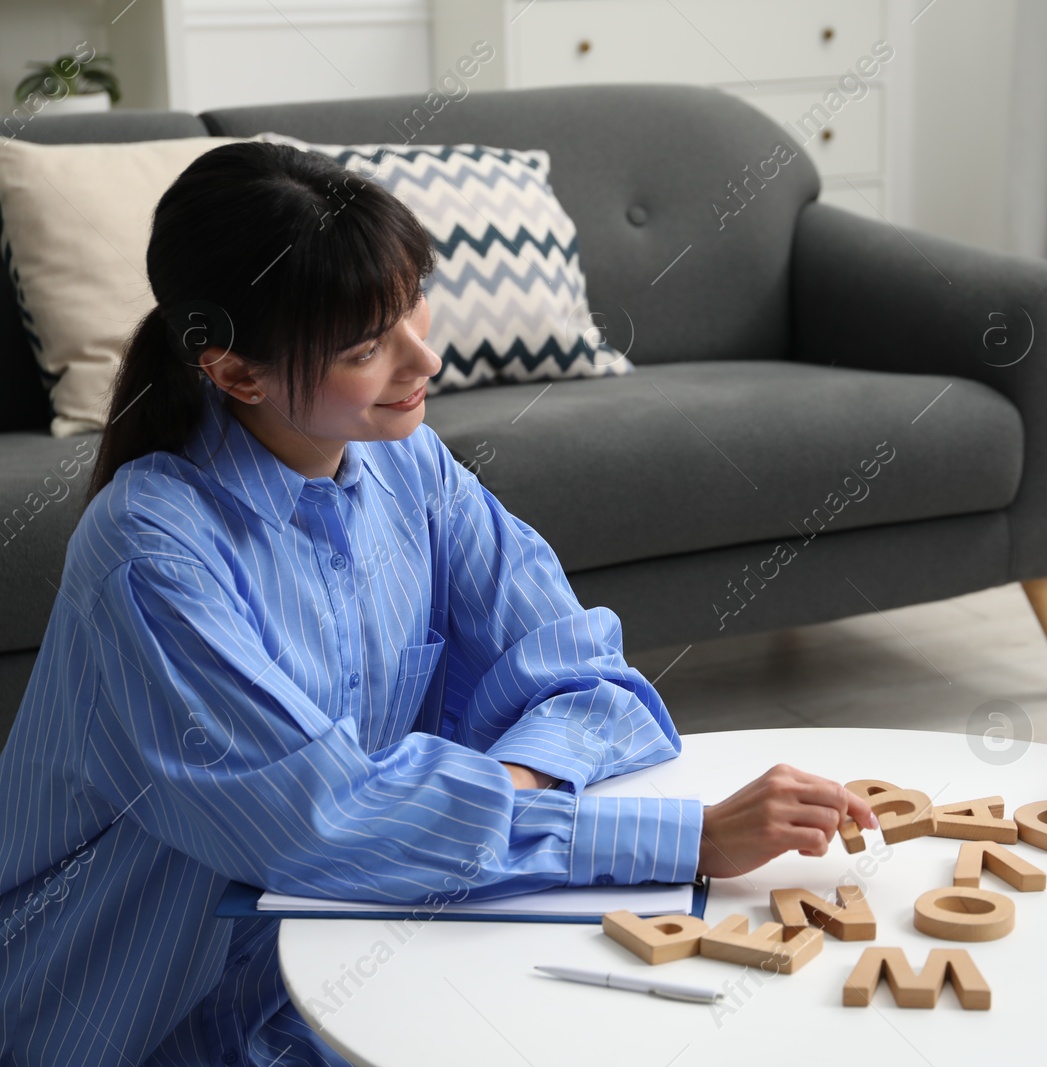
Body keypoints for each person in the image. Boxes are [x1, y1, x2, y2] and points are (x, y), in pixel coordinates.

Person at [0, 141, 876, 1067]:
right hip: (137, 1012)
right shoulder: (151, 554)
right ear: (235, 374)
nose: (426, 355)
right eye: (365, 345)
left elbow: (586, 680)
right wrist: (684, 838)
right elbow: (321, 824)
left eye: (412, 301)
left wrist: (481, 792)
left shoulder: (407, 464)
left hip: (350, 942)